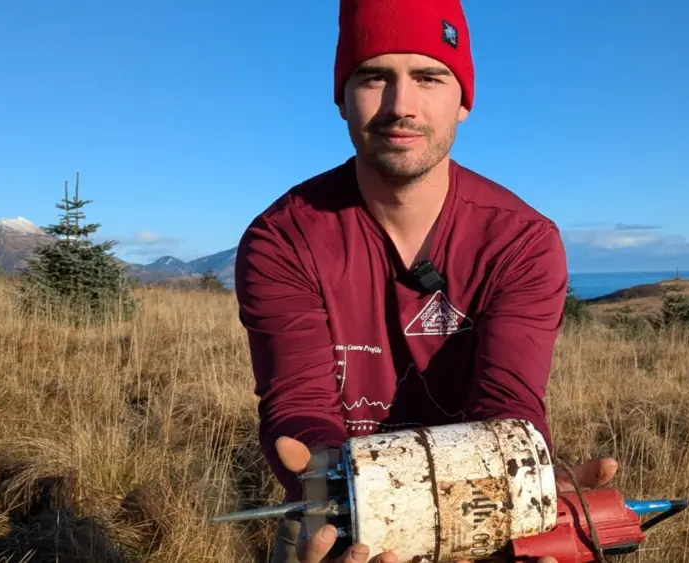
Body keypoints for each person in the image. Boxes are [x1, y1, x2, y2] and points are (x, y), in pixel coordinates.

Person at [234, 0, 619, 561]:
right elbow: (298, 397)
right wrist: (332, 479)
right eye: (374, 77)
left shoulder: (522, 240)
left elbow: (508, 401)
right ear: (341, 97)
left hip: (484, 507)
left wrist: (525, 481)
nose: (400, 105)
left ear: (463, 100)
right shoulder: (283, 238)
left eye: (429, 77)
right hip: (336, 511)